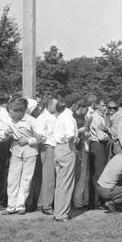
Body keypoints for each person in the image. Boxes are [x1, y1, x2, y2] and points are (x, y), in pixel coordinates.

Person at [4, 99, 41, 215]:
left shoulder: (32, 121)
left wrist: (28, 141)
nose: (10, 115)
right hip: (15, 150)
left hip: (30, 152)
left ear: (20, 113)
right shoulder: (11, 121)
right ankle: (11, 206)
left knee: (26, 179)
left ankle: (20, 206)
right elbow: (2, 132)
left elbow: (42, 138)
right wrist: (6, 132)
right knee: (12, 179)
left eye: (12, 113)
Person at [53, 94, 78, 222]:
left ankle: (58, 211)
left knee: (60, 183)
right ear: (74, 105)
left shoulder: (60, 116)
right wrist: (76, 138)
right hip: (66, 148)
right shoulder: (68, 117)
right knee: (66, 183)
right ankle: (62, 214)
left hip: (58, 148)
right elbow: (70, 135)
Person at [35, 96, 58, 215]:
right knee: (49, 177)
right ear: (49, 105)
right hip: (48, 147)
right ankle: (46, 205)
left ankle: (42, 203)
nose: (57, 106)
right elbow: (39, 135)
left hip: (52, 146)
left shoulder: (53, 116)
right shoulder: (43, 117)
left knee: (48, 176)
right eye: (55, 104)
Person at [89, 99, 110, 209]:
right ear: (97, 106)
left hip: (102, 146)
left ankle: (99, 200)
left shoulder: (102, 117)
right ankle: (96, 202)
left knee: (101, 173)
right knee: (98, 174)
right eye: (103, 105)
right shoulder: (96, 117)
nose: (105, 107)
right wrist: (108, 133)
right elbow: (101, 136)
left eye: (105, 105)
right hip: (97, 145)